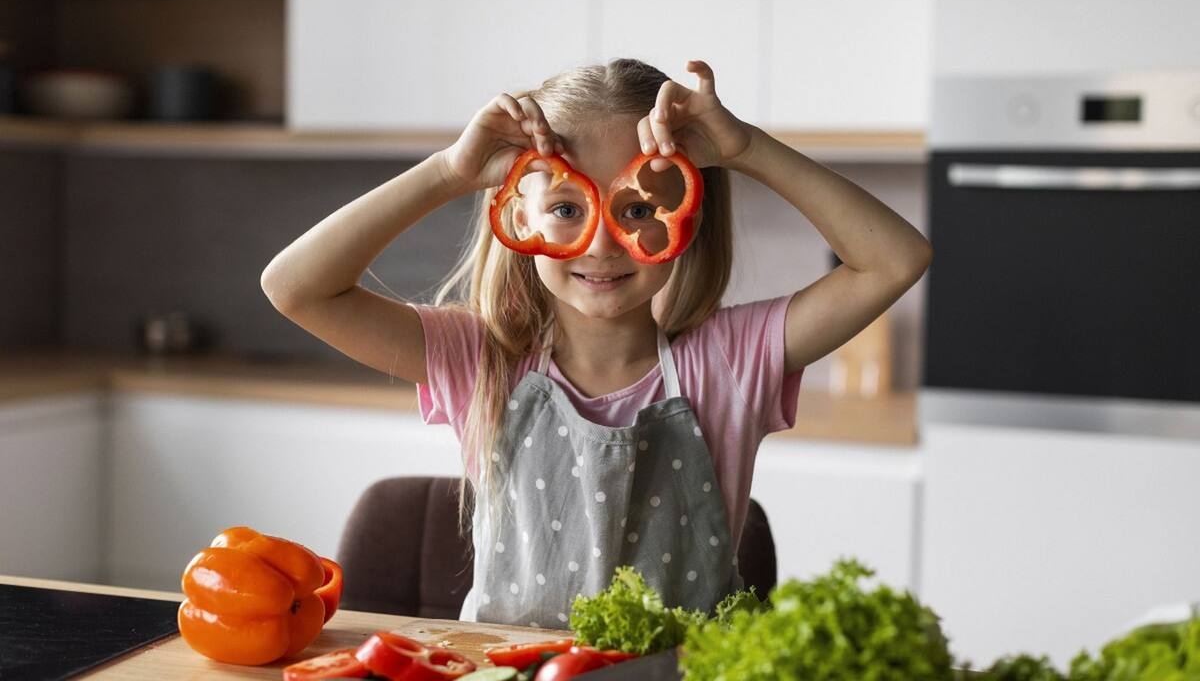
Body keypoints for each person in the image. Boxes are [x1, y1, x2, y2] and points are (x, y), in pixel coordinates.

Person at [260, 58, 932, 629]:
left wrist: (746, 149)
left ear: (686, 217)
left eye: (637, 208)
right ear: (517, 216)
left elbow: (896, 260)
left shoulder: (730, 361)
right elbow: (294, 288)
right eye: (566, 208)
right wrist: (449, 172)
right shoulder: (481, 359)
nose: (604, 242)